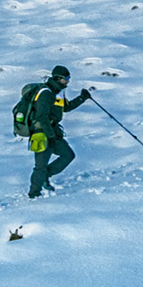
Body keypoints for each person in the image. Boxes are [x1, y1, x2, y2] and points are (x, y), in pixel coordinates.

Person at [26, 65, 90, 197]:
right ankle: (34, 194)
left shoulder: (58, 92)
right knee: (40, 167)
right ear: (58, 78)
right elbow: (41, 117)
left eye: (69, 78)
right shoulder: (45, 93)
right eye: (66, 78)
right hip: (41, 133)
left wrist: (82, 98)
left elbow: (65, 108)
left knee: (68, 155)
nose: (68, 81)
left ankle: (45, 176)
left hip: (53, 132)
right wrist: (50, 135)